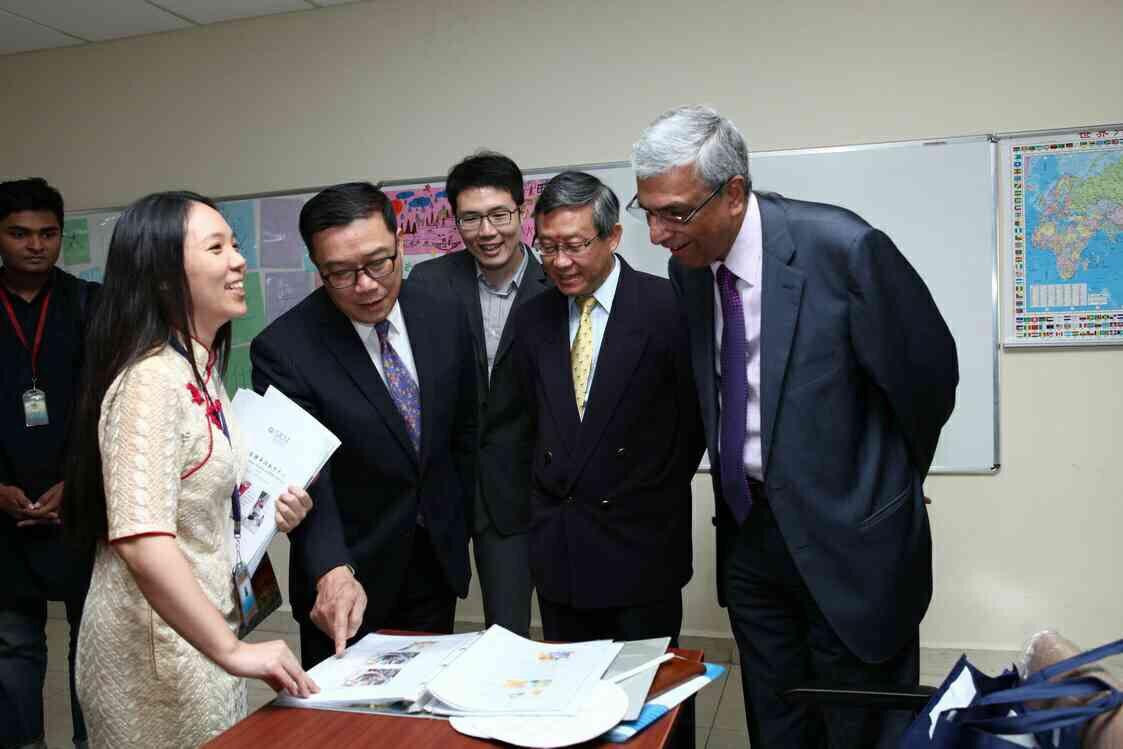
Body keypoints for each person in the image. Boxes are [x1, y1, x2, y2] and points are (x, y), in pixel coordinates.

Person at [631, 105, 959, 748]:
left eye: (675, 213)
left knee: (859, 725)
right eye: (647, 210)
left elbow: (929, 380)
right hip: (751, 537)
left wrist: (879, 488)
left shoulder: (843, 250)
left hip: (850, 543)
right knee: (777, 721)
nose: (657, 234)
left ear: (732, 192)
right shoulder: (689, 271)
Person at [63, 191, 317, 749]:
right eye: (216, 247)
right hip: (158, 650)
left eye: (236, 244)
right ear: (161, 277)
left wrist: (266, 510)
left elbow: (190, 497)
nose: (238, 261)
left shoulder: (197, 368)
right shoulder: (150, 381)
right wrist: (233, 650)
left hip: (200, 630)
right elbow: (141, 540)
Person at [251, 182, 477, 668]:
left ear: (400, 244)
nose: (368, 285)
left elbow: (464, 431)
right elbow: (308, 476)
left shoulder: (444, 314)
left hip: (435, 558)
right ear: (318, 270)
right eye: (341, 273)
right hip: (348, 575)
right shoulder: (285, 349)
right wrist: (331, 567)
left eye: (379, 262)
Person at [511, 171, 703, 644]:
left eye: (575, 245)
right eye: (548, 246)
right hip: (561, 554)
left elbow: (695, 424)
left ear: (613, 235)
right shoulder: (534, 316)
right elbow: (524, 424)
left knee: (656, 699)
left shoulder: (667, 307)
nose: (559, 261)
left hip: (641, 548)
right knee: (571, 699)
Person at [407, 152, 549, 636]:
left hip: (523, 492)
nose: (486, 231)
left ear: (521, 211)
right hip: (444, 487)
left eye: (498, 215)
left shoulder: (558, 284)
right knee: (425, 631)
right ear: (455, 220)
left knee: (510, 632)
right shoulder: (426, 284)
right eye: (470, 218)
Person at [0, 178, 96, 749]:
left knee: (91, 645)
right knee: (12, 648)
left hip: (79, 504)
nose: (35, 245)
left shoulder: (92, 304)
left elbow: (114, 407)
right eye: (18, 233)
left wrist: (78, 482)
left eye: (48, 233)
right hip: (3, 511)